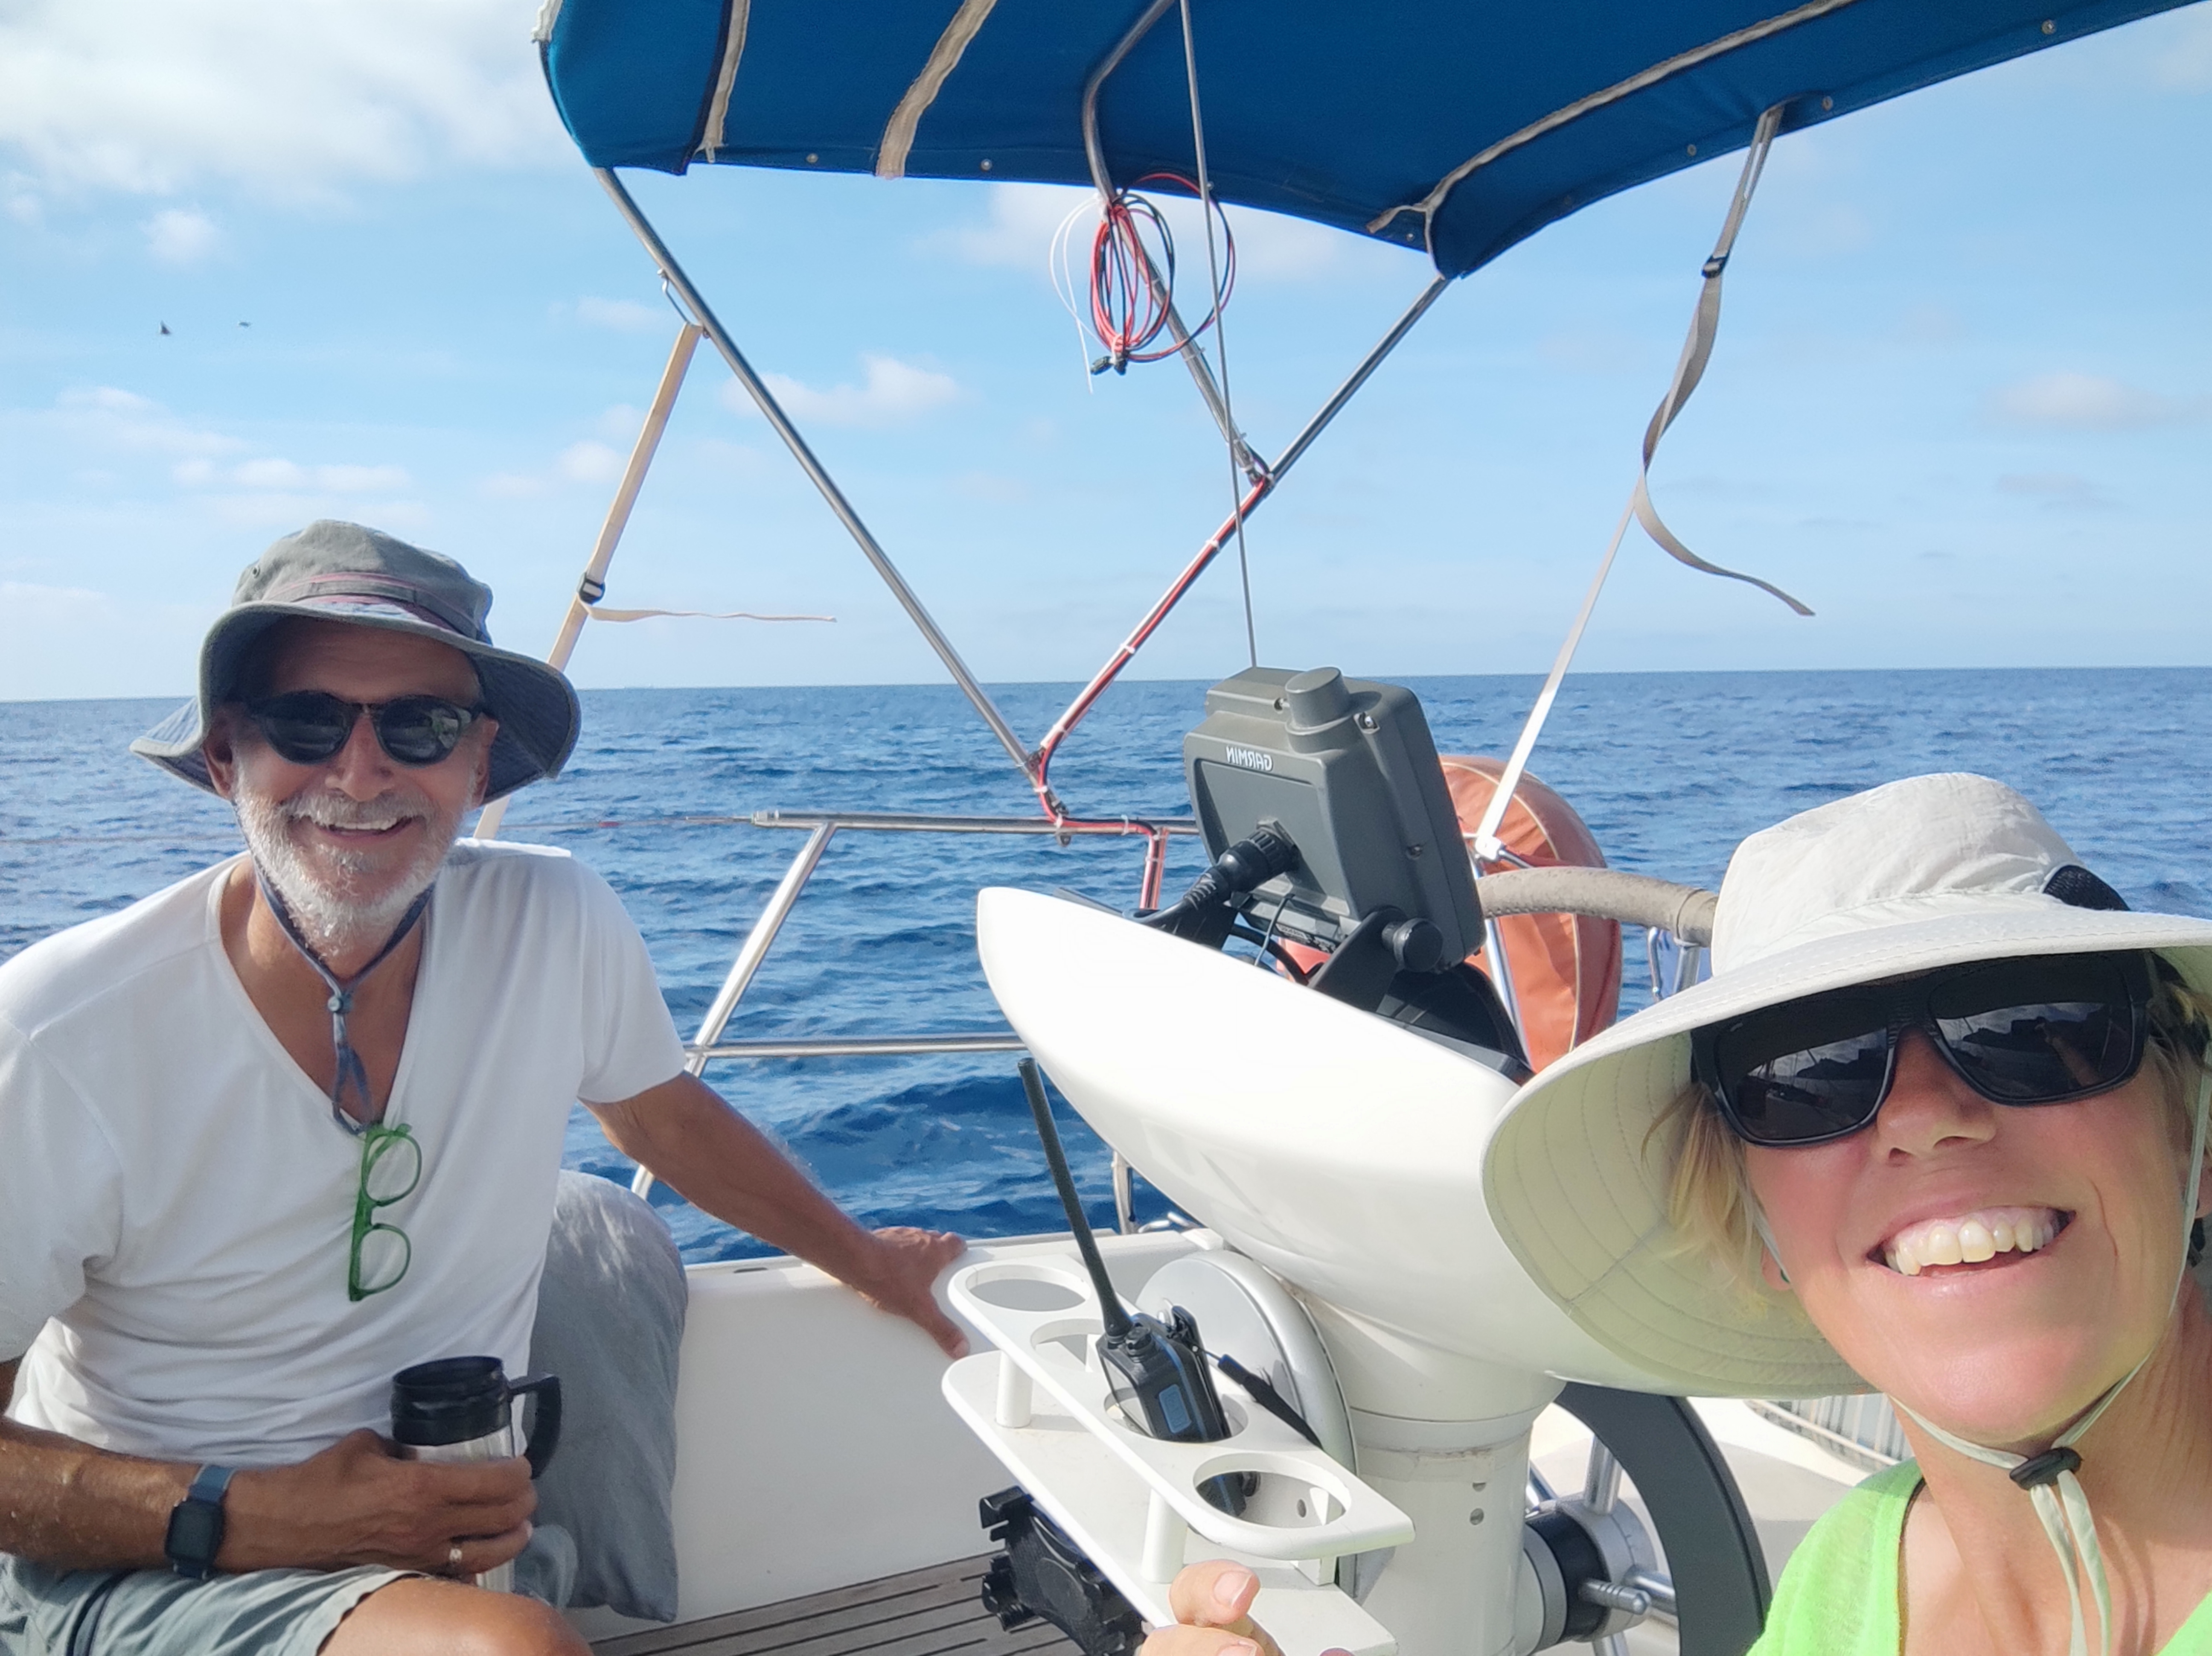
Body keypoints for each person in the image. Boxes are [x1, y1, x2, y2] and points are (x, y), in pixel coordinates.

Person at [0, 521, 969, 1656]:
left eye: (420, 724)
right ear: (226, 758)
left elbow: (658, 1114)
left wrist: (870, 1263)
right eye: (306, 721)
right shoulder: (60, 1034)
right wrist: (265, 1515)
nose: (361, 772)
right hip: (162, 1559)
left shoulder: (554, 921)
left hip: (438, 1539)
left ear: (476, 761)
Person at [1150, 773, 2212, 1656]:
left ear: (2192, 1135)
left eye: (2036, 1024)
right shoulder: (1859, 1563)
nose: (1926, 1118)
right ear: (1764, 1231)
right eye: (1805, 1074)